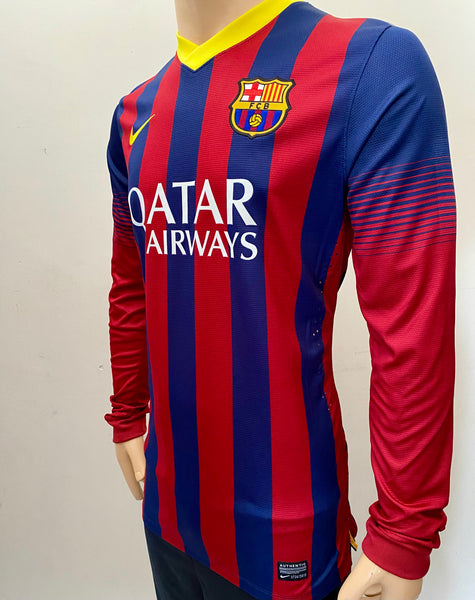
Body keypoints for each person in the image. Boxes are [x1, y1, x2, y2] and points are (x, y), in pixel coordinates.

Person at [104, 1, 456, 599]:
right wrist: (127, 411)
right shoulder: (134, 113)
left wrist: (404, 532)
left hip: (284, 528)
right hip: (166, 504)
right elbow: (132, 282)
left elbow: (413, 322)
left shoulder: (369, 66)